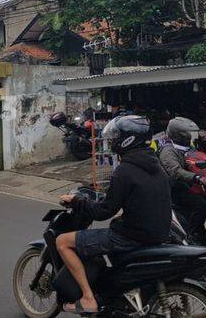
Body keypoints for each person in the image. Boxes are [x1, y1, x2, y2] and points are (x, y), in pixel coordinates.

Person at [56, 115, 171, 314]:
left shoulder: (125, 170)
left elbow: (103, 212)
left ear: (127, 139)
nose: (113, 140)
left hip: (130, 238)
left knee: (62, 242)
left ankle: (88, 298)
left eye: (117, 136)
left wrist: (77, 201)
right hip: (158, 234)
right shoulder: (157, 166)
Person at [159, 117, 206, 244]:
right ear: (179, 134)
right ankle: (192, 234)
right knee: (201, 205)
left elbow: (201, 158)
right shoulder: (168, 150)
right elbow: (175, 171)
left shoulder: (186, 147)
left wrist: (205, 144)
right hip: (172, 188)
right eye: (187, 133)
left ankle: (200, 235)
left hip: (185, 185)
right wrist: (196, 178)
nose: (190, 136)